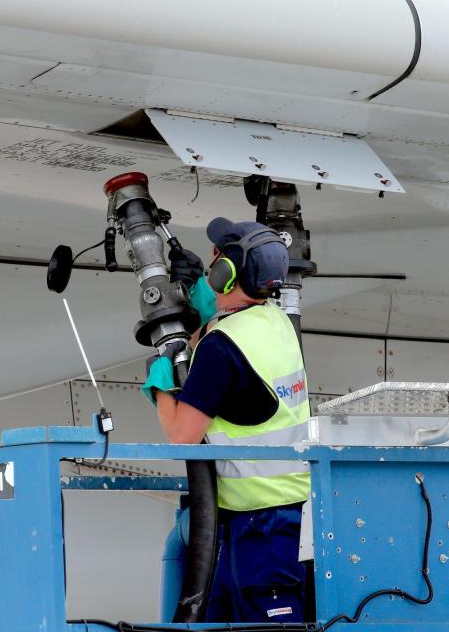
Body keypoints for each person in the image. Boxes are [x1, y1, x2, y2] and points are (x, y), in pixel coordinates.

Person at [142, 217, 311, 623]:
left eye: (216, 258)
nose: (210, 261)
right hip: (296, 512)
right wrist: (205, 297)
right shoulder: (276, 323)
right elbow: (233, 353)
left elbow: (182, 434)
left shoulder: (220, 348)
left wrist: (161, 385)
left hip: (259, 525)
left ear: (226, 272)